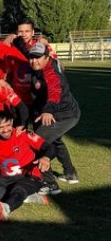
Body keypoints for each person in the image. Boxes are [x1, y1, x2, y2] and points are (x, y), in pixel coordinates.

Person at [28, 43, 80, 193]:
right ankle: (70, 173)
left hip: (65, 115)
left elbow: (54, 92)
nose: (34, 61)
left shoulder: (51, 73)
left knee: (36, 140)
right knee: (55, 140)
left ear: (47, 58)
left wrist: (48, 111)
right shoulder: (46, 64)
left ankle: (49, 183)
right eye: (31, 57)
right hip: (63, 112)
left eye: (38, 58)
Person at [0, 110, 51, 221]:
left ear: (12, 122)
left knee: (19, 188)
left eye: (8, 125)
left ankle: (6, 208)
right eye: (0, 127)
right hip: (6, 179)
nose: (5, 130)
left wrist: (46, 158)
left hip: (29, 177)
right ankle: (27, 197)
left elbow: (50, 147)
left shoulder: (24, 134)